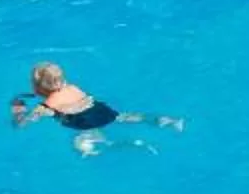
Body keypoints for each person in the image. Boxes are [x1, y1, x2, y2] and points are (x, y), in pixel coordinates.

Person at [12, 63, 183, 156]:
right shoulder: (72, 87)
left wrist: (18, 109)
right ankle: (167, 121)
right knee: (127, 117)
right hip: (101, 110)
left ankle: (122, 146)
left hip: (83, 121)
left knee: (81, 143)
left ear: (37, 89)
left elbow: (22, 124)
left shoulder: (46, 106)